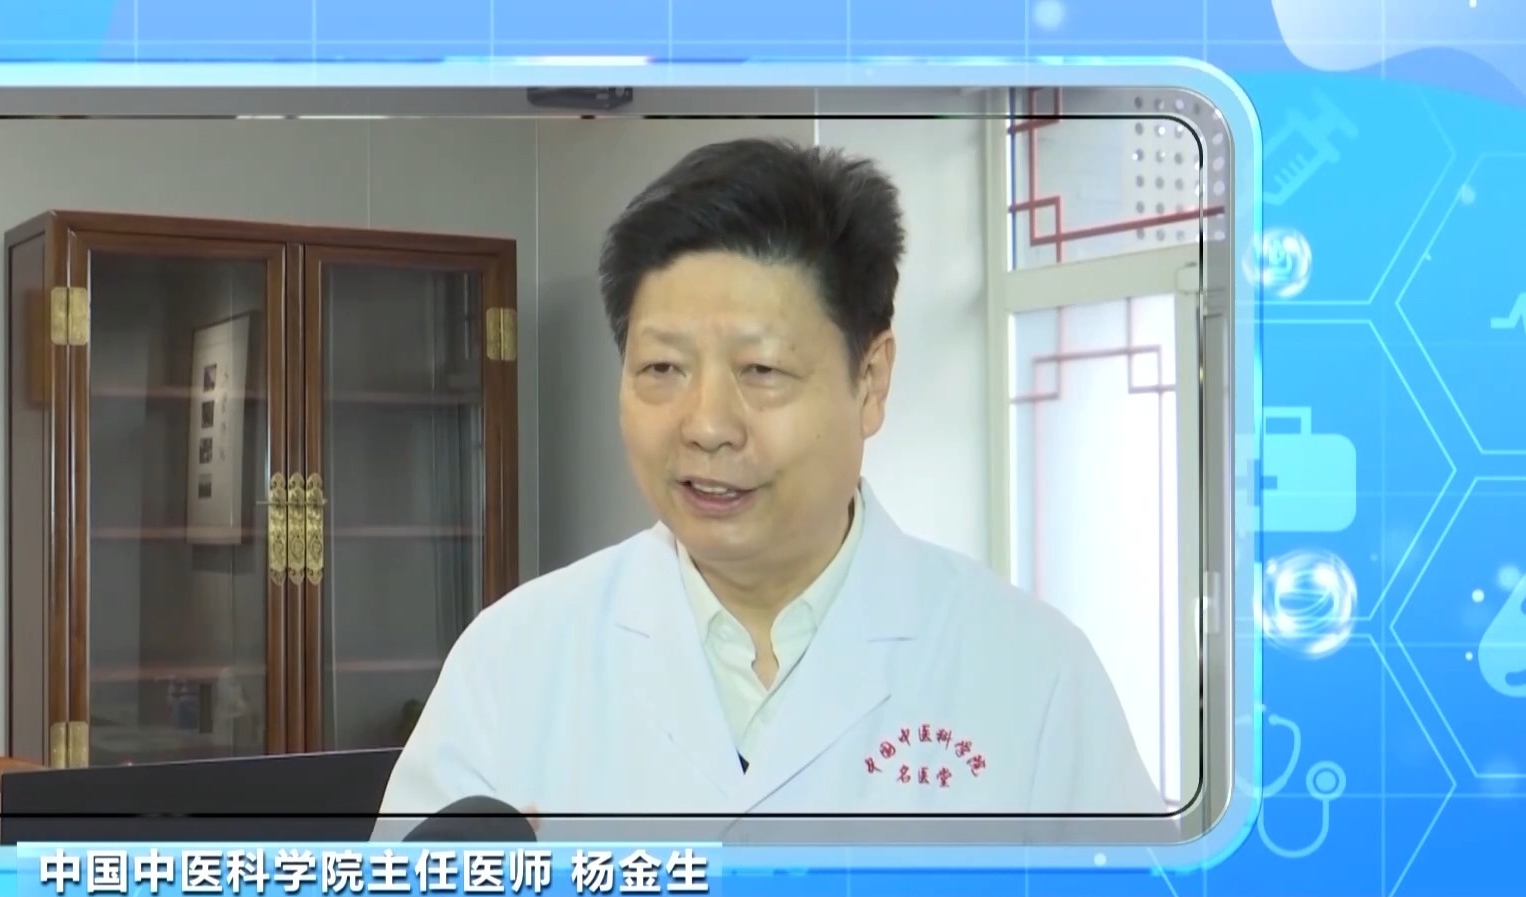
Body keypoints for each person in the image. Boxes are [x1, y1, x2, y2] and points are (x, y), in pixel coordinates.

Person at [376, 138, 1163, 838]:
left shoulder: (1030, 671)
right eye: (661, 368)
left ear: (870, 380)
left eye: (761, 370)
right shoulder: (513, 660)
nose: (707, 425)